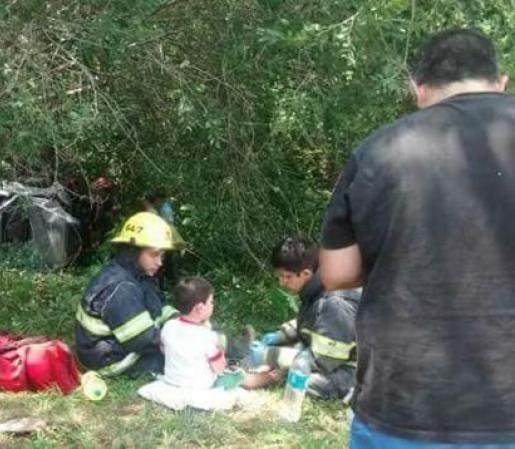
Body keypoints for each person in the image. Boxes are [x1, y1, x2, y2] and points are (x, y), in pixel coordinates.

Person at [319, 29, 515, 447]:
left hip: (405, 408)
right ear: (502, 82)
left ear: (419, 89)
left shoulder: (378, 151)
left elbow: (336, 274)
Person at [249, 237, 360, 400]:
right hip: (337, 350)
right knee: (294, 356)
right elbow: (312, 319)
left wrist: (268, 355)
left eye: (286, 276)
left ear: (306, 274)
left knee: (303, 382)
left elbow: (324, 360)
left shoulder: (334, 304)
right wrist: (282, 335)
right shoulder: (318, 286)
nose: (282, 282)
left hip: (358, 367)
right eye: (279, 276)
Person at [75, 212, 182, 377]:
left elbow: (158, 309)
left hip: (112, 348)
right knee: (182, 360)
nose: (160, 262)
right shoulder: (122, 288)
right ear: (134, 250)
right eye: (154, 254)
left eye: (162, 255)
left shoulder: (134, 274)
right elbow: (144, 340)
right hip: (110, 361)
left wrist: (183, 322)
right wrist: (189, 341)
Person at [162, 276, 281, 390]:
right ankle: (270, 377)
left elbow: (164, 348)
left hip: (173, 380)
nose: (213, 305)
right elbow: (219, 368)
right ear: (199, 308)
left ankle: (257, 366)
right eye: (211, 302)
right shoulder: (206, 336)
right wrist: (220, 351)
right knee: (240, 376)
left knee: (234, 364)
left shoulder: (169, 326)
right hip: (200, 384)